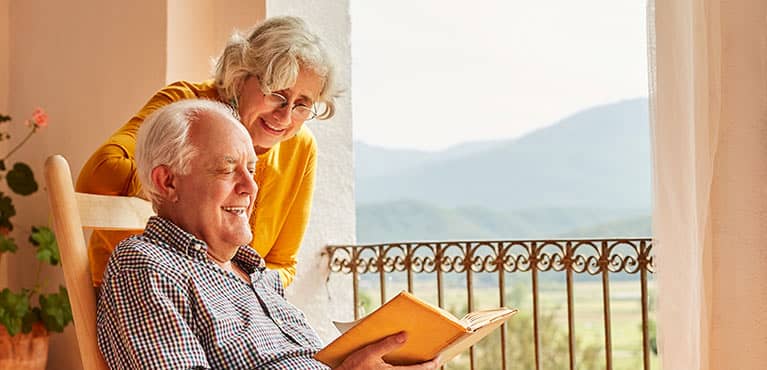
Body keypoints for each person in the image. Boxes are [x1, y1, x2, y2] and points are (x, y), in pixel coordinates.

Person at [97, 99, 437, 370]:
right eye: (227, 169)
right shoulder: (146, 267)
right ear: (167, 182)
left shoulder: (257, 273)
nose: (250, 187)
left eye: (250, 170)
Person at [77, 16, 336, 288]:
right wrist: (171, 196)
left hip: (229, 306)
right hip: (141, 291)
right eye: (276, 94)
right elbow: (98, 176)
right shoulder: (187, 107)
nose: (285, 116)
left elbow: (282, 265)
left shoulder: (301, 147)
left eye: (302, 104)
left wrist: (231, 284)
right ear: (240, 76)